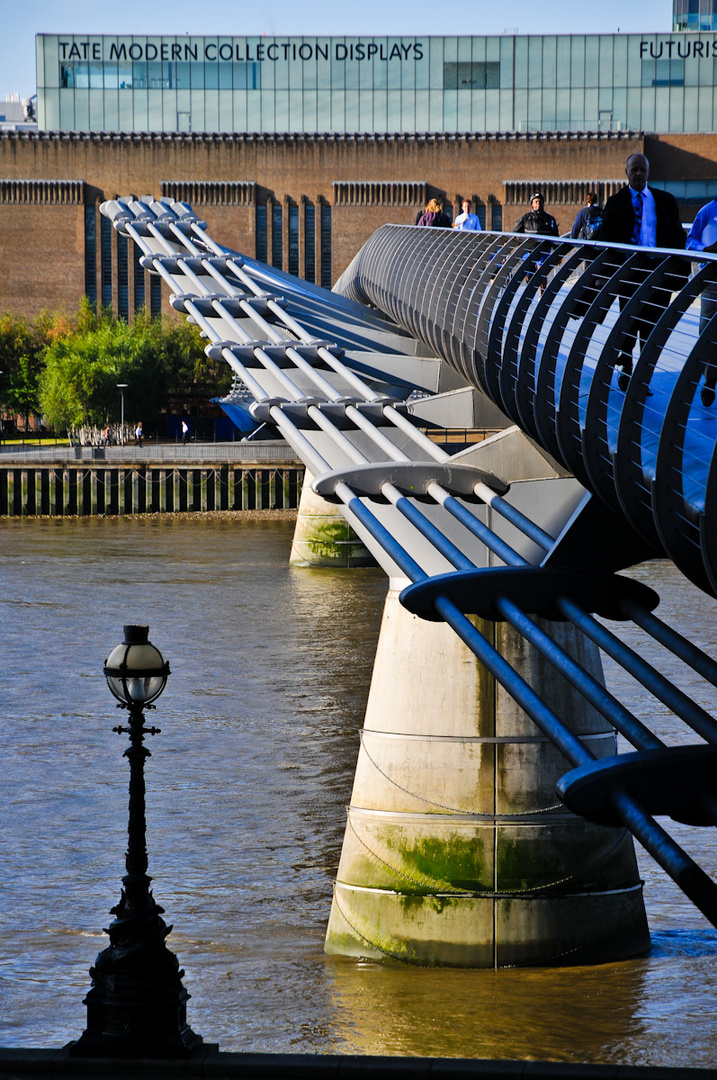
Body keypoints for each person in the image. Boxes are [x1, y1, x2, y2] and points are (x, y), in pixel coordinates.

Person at [599, 153, 686, 390]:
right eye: (634, 169)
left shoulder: (665, 201)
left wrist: (680, 275)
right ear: (626, 172)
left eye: (642, 170)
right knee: (628, 324)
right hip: (628, 273)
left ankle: (643, 379)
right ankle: (626, 366)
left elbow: (678, 237)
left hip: (658, 273)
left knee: (651, 329)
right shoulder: (616, 203)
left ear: (648, 172)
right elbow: (605, 238)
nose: (638, 174)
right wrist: (601, 276)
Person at [686, 197, 717, 406]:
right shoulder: (707, 211)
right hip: (712, 280)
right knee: (707, 330)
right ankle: (710, 379)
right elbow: (690, 241)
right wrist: (706, 251)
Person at [513, 192, 560, 294]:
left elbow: (556, 238)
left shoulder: (549, 219)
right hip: (529, 251)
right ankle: (530, 286)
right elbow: (515, 234)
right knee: (529, 275)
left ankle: (541, 296)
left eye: (540, 201)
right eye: (536, 202)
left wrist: (558, 255)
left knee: (542, 271)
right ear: (532, 204)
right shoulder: (525, 219)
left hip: (543, 251)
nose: (538, 204)